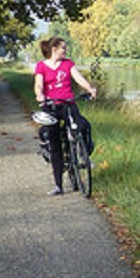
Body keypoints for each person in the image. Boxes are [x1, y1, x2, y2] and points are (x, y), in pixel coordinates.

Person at [34, 37, 97, 195]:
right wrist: (40, 95)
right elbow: (38, 84)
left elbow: (78, 78)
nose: (65, 51)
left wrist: (89, 89)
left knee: (83, 126)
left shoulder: (68, 64)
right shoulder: (41, 66)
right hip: (51, 105)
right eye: (63, 48)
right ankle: (58, 185)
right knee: (54, 143)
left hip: (68, 104)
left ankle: (84, 155)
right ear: (54, 49)